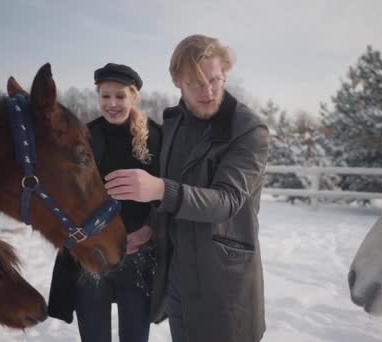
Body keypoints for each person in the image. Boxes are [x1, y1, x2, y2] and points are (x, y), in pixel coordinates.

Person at [104, 35, 269, 342]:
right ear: (177, 80)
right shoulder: (173, 122)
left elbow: (227, 200)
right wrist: (148, 229)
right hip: (178, 274)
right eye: (196, 83)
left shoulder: (248, 128)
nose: (208, 92)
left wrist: (158, 189)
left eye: (215, 80)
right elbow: (171, 194)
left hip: (223, 279)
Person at [47, 63, 162, 342]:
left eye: (120, 96)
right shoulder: (83, 137)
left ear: (134, 97)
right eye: (105, 96)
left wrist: (148, 230)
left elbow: (167, 194)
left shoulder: (157, 137)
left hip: (139, 259)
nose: (112, 103)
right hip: (92, 259)